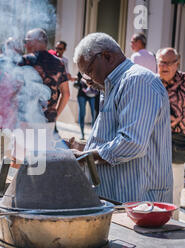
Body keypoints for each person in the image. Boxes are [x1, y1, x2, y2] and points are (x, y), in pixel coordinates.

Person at [70, 32, 173, 204]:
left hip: (138, 200)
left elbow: (132, 143)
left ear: (107, 57)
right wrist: (82, 147)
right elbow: (113, 138)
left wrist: (86, 156)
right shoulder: (109, 86)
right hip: (115, 196)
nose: (88, 81)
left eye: (89, 72)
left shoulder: (137, 81)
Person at [156, 48, 185, 213]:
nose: (164, 66)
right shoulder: (150, 81)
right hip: (153, 138)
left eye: (169, 63)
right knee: (152, 181)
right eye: (162, 62)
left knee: (175, 184)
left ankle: (173, 220)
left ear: (177, 63)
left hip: (178, 138)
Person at [19, 28, 70, 126]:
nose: (25, 45)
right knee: (43, 142)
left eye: (27, 41)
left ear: (36, 41)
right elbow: (66, 94)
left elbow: (13, 91)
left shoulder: (25, 61)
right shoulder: (59, 63)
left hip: (25, 121)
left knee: (24, 142)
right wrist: (54, 116)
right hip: (48, 122)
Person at [73, 72, 99, 140]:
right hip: (82, 94)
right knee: (82, 114)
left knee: (94, 114)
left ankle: (93, 135)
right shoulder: (81, 71)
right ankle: (82, 134)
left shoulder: (94, 70)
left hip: (92, 94)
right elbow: (77, 82)